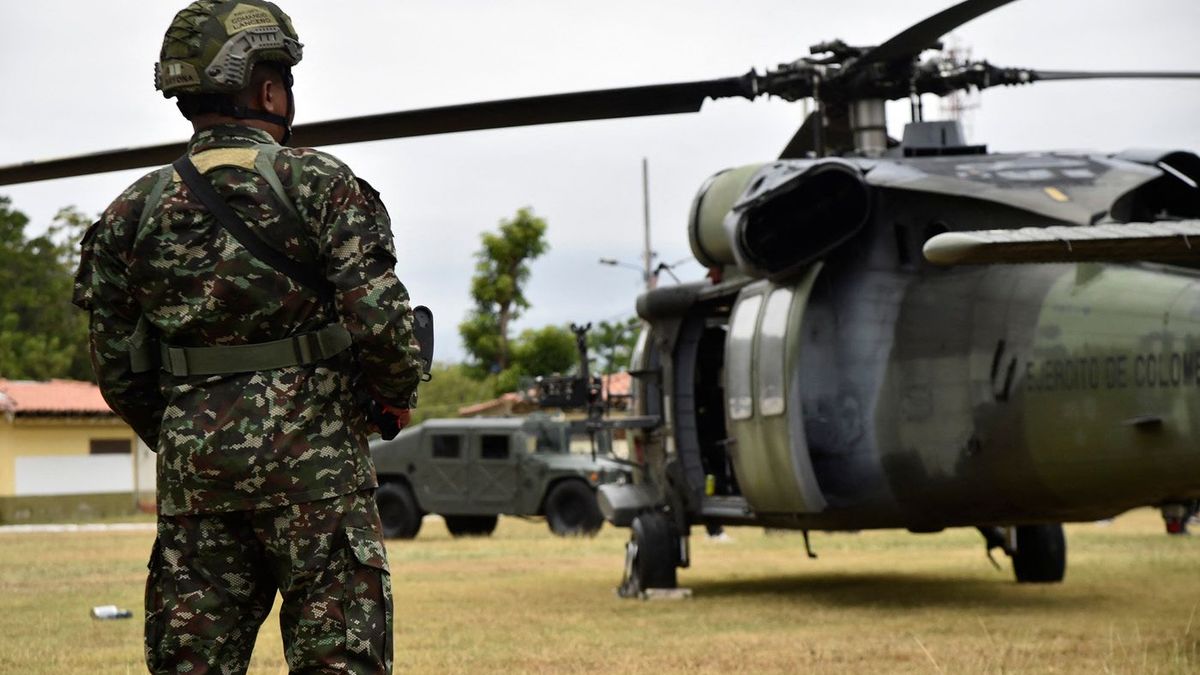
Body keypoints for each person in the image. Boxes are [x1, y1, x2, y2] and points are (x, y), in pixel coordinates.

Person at [73, 1, 422, 672]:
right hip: (318, 485)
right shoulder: (320, 184)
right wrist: (392, 398)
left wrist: (188, 431)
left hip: (197, 488)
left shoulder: (129, 212)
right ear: (268, 89)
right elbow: (381, 322)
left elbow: (117, 371)